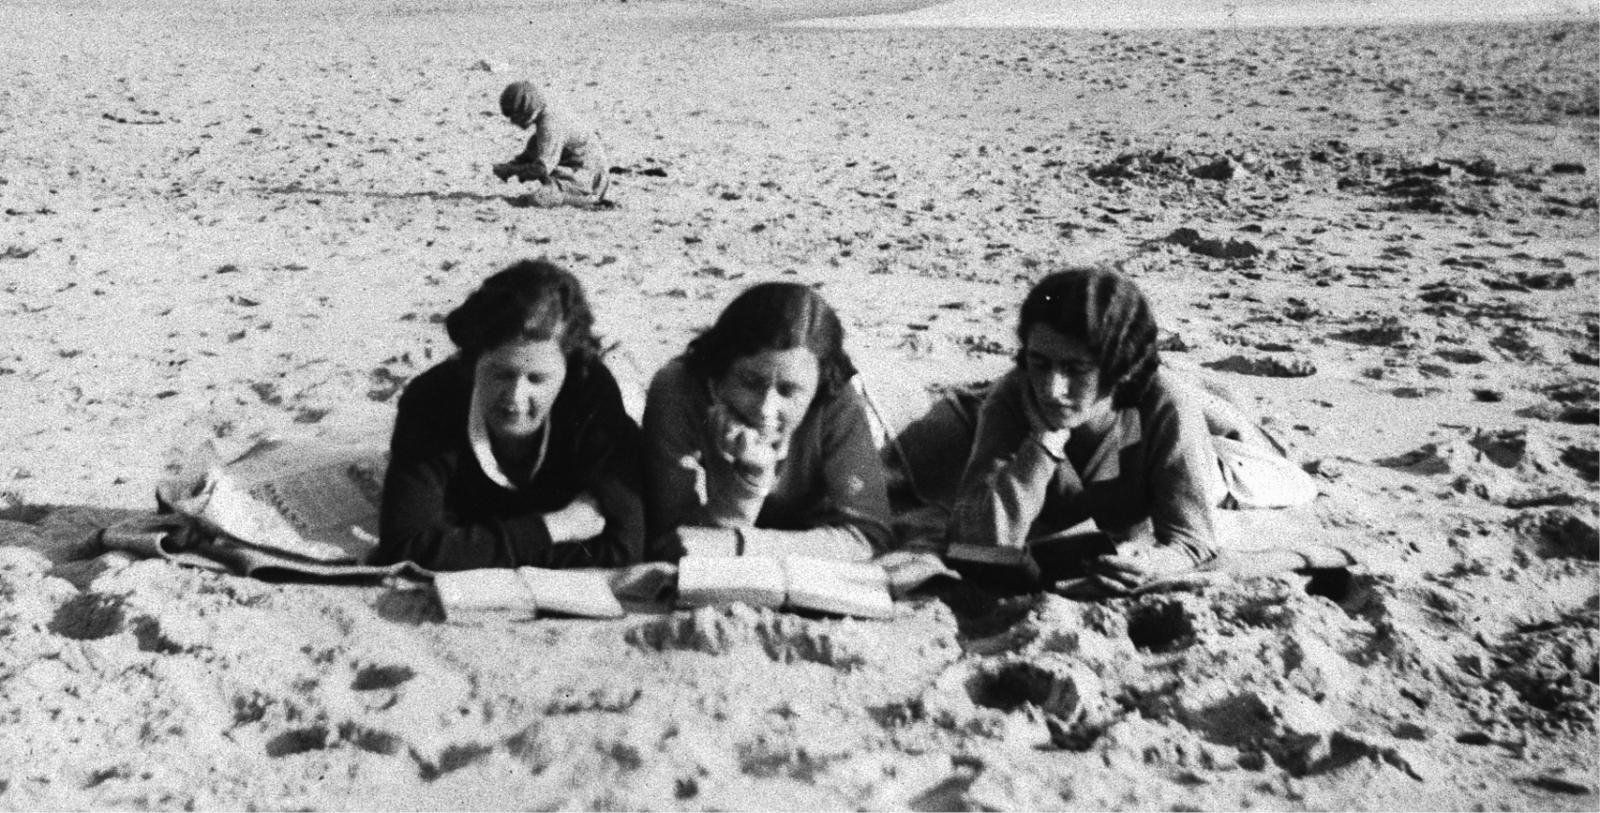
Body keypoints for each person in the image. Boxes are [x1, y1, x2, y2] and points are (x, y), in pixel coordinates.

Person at [951, 266, 1241, 592]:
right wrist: (1046, 440)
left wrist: (1152, 564)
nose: (1051, 389)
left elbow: (1192, 540)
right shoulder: (1011, 396)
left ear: (1120, 368)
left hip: (1218, 465)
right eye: (1040, 363)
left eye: (1076, 369)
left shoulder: (1165, 406)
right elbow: (981, 542)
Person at [372, 260, 644, 570]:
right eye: (500, 374)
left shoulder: (590, 396)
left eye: (537, 379)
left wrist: (467, 549)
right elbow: (405, 547)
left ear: (567, 370)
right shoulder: (432, 399)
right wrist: (553, 528)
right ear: (472, 360)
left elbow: (624, 547)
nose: (515, 397)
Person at [643, 282, 894, 561]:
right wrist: (744, 490)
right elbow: (668, 542)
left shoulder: (836, 400)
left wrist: (739, 545)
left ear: (817, 386)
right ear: (717, 370)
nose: (765, 409)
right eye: (750, 382)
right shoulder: (677, 388)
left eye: (788, 391)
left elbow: (869, 535)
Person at [492, 80, 610, 207]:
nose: (513, 121)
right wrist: (511, 166)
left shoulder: (550, 125)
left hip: (589, 181)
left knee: (539, 199)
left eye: (515, 115)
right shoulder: (547, 116)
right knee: (535, 145)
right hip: (582, 171)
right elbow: (532, 152)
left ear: (526, 107)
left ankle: (585, 200)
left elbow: (540, 168)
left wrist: (513, 170)